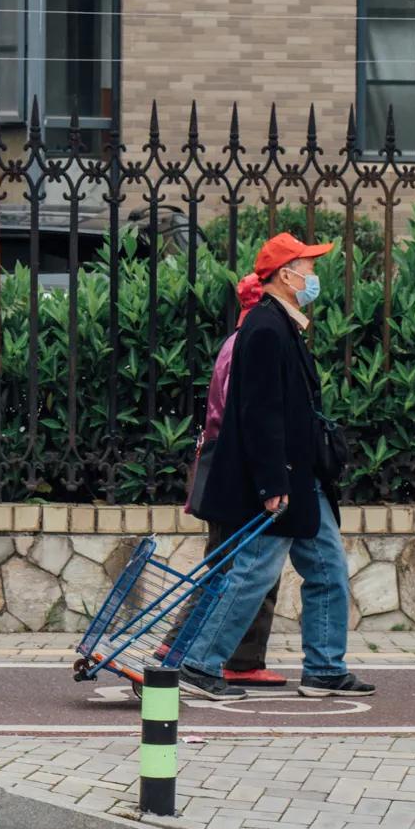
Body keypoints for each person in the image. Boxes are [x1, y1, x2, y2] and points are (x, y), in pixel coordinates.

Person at [178, 231, 374, 702]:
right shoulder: (265, 329)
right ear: (286, 276)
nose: (313, 277)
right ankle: (199, 663)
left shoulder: (281, 325)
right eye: (308, 269)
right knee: (255, 573)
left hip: (303, 476)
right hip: (281, 477)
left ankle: (325, 668)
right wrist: (271, 481)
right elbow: (260, 414)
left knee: (327, 568)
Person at [186, 273, 287, 687]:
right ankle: (225, 655)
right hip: (235, 463)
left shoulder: (239, 340)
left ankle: (230, 655)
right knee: (239, 564)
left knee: (233, 562)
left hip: (225, 459)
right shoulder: (250, 342)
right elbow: (245, 413)